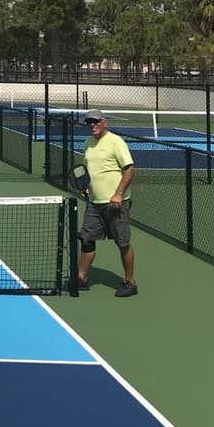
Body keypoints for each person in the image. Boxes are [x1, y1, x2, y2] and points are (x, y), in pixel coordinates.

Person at [77, 109, 138, 298]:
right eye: (89, 122)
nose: (92, 125)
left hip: (116, 204)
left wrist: (118, 194)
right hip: (94, 203)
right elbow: (88, 169)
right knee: (87, 240)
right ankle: (81, 278)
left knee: (122, 242)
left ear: (104, 122)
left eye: (95, 121)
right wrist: (86, 186)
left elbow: (129, 170)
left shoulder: (116, 142)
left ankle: (130, 282)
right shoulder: (87, 143)